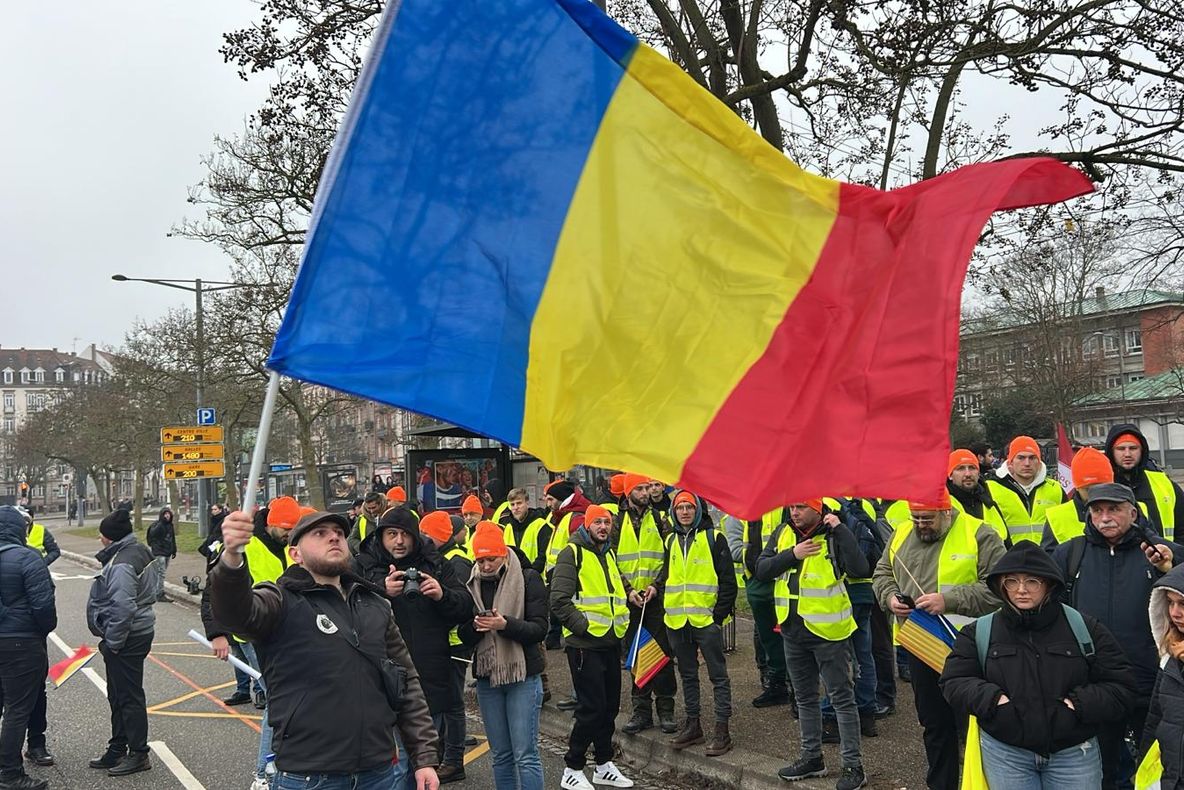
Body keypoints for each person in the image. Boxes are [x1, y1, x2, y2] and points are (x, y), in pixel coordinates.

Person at [210, 508, 441, 790]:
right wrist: (232, 559)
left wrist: (424, 758)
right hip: (310, 776)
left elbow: (406, 683)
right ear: (295, 554)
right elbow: (235, 613)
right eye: (320, 534)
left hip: (378, 772)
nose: (334, 538)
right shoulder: (280, 600)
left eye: (340, 534)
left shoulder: (375, 604)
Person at [941, 541, 1137, 789]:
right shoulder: (979, 631)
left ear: (1049, 585)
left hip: (1075, 753)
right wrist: (992, 700)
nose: (1021, 590)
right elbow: (954, 681)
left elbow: (1123, 685)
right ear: (1002, 586)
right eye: (1012, 581)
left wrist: (1080, 704)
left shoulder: (1085, 628)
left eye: (1032, 581)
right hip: (1006, 753)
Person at [1052, 482, 1183, 790]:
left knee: (1156, 766)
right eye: (1097, 510)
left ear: (1133, 513)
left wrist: (1170, 564)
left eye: (1114, 509)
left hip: (1150, 683)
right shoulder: (1071, 553)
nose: (1105, 517)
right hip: (1096, 684)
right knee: (1102, 769)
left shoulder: (1157, 552)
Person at [873, 492, 1007, 790]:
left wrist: (948, 601)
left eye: (928, 519)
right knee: (934, 724)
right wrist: (890, 597)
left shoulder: (980, 533)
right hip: (921, 645)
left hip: (971, 647)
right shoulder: (902, 531)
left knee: (975, 723)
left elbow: (999, 588)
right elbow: (882, 572)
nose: (921, 525)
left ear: (947, 512)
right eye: (916, 518)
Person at [356, 507, 472, 790]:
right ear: (380, 536)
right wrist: (381, 591)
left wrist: (442, 595)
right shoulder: (362, 565)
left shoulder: (436, 563)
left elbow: (465, 607)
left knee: (418, 762)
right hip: (376, 677)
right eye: (392, 534)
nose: (399, 541)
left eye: (405, 534)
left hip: (426, 676)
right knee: (390, 763)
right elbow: (345, 610)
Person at [757, 500, 869, 789]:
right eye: (792, 507)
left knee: (842, 699)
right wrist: (793, 554)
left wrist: (842, 530)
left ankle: (853, 766)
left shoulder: (833, 533)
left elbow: (859, 568)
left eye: (802, 507)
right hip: (793, 630)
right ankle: (812, 757)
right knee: (805, 698)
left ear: (818, 509)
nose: (794, 512)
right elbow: (762, 568)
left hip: (829, 632)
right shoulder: (784, 532)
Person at [551, 505, 635, 790]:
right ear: (586, 526)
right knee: (592, 708)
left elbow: (614, 590)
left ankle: (603, 764)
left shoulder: (608, 553)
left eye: (606, 522)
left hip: (610, 641)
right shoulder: (572, 554)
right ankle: (573, 767)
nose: (602, 526)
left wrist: (630, 596)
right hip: (585, 645)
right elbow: (559, 601)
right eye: (597, 522)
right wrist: (583, 626)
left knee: (609, 707)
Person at [458, 522, 547, 790]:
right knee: (501, 755)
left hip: (523, 676)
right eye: (480, 560)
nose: (485, 566)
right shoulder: (470, 583)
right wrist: (475, 626)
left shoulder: (528, 577)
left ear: (504, 554)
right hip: (487, 678)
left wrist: (505, 625)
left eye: (491, 559)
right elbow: (463, 635)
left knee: (525, 754)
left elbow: (540, 629)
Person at [650, 490, 737, 756]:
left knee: (718, 676)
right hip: (677, 621)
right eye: (680, 508)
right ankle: (693, 724)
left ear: (698, 510)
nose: (685, 512)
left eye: (689, 507)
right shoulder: (671, 541)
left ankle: (722, 730)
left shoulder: (714, 538)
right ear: (674, 512)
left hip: (704, 620)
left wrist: (716, 618)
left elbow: (728, 583)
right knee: (687, 674)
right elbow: (668, 576)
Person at [86, 507, 161, 777]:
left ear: (109, 538)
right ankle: (118, 746)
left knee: (128, 696)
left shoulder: (121, 564)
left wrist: (113, 642)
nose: (99, 539)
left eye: (101, 535)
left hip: (127, 637)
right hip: (138, 631)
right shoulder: (139, 551)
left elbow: (123, 607)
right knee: (118, 694)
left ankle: (138, 753)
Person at [615, 474, 677, 736]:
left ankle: (666, 709)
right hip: (630, 601)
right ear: (629, 492)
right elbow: (611, 560)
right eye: (639, 488)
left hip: (654, 599)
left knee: (661, 655)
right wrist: (628, 590)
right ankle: (641, 711)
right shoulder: (617, 522)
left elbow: (669, 557)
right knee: (637, 656)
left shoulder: (660, 520)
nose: (645, 492)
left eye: (646, 487)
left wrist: (656, 586)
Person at [0, 506, 56, 790]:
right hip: (22, 642)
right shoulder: (28, 558)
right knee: (18, 709)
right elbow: (44, 608)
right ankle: (10, 774)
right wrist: (41, 631)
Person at [16, 508, 58, 769]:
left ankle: (36, 744)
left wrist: (41, 631)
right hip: (20, 637)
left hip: (30, 639)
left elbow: (45, 602)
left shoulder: (32, 558)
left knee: (35, 693)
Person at [1138, 564, 1184, 789]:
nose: (1175, 613)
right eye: (1170, 602)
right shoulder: (1171, 656)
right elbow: (1155, 719)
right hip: (1171, 779)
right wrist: (1142, 767)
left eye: (1183, 603)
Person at [1105, 424, 1184, 541]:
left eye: (1133, 448)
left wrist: (1174, 556)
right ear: (1111, 452)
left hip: (1162, 557)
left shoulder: (1163, 483)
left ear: (1142, 450)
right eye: (1121, 449)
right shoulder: (1102, 486)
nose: (1127, 454)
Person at [986, 435, 1068, 545]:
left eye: (1032, 458)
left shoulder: (1055, 488)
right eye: (1021, 458)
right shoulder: (990, 488)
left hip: (1047, 559)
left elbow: (1066, 526)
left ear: (1039, 462)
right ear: (1010, 462)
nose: (1027, 463)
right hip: (1009, 559)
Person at [1040, 447, 1116, 548]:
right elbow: (1048, 560)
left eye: (1102, 488)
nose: (1097, 495)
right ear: (1077, 487)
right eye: (1088, 490)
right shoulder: (1057, 518)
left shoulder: (1134, 509)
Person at [946, 449, 1007, 536]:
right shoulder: (944, 504)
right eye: (960, 469)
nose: (968, 474)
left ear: (978, 473)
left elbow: (1005, 538)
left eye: (972, 468)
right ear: (950, 475)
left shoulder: (989, 500)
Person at [498, 488, 552, 576]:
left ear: (527, 503)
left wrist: (530, 574)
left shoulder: (540, 524)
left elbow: (543, 556)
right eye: (512, 504)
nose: (516, 507)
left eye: (519, 503)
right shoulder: (507, 527)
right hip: (513, 579)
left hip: (535, 579)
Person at [146, 507, 177, 602]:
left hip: (167, 551)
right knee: (161, 572)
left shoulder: (170, 526)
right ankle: (159, 593)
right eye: (165, 514)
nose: (167, 516)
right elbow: (151, 536)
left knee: (160, 572)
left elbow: (172, 538)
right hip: (159, 552)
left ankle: (155, 590)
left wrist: (174, 550)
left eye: (168, 514)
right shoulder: (158, 525)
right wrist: (155, 547)